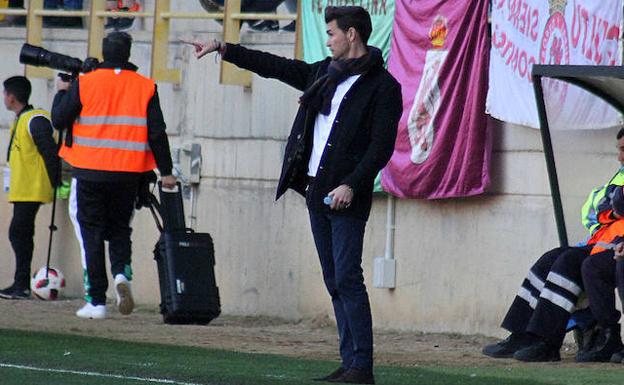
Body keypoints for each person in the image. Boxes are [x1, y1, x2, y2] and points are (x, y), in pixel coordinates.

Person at [184, 6, 402, 383]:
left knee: (349, 277)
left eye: (333, 32)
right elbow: (276, 66)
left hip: (347, 194)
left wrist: (352, 183)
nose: (329, 38)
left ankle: (361, 366)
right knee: (333, 278)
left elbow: (380, 147)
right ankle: (349, 361)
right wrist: (224, 48)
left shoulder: (383, 87)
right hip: (316, 189)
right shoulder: (323, 74)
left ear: (352, 35)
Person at [51, 31, 176, 320]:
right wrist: (166, 172)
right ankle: (121, 272)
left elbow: (59, 119)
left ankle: (96, 302)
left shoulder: (86, 82)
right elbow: (157, 132)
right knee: (120, 229)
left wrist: (62, 91)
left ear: (104, 53)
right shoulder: (145, 86)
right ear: (129, 53)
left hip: (90, 171)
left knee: (91, 233)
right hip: (128, 174)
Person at [482, 128, 624, 362]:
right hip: (602, 241)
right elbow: (595, 206)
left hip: (612, 246)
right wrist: (613, 201)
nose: (619, 157)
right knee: (550, 259)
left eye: (623, 150)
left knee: (568, 263)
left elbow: (614, 203)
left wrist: (612, 202)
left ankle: (547, 341)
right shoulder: (619, 174)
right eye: (619, 150)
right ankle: (523, 333)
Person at [0, 76, 59, 299]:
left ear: (12, 97)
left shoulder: (34, 120)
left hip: (32, 188)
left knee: (19, 233)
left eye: (5, 93)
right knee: (20, 233)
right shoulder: (22, 119)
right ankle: (20, 283)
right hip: (23, 188)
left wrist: (55, 181)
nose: (4, 97)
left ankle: (22, 284)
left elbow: (49, 151)